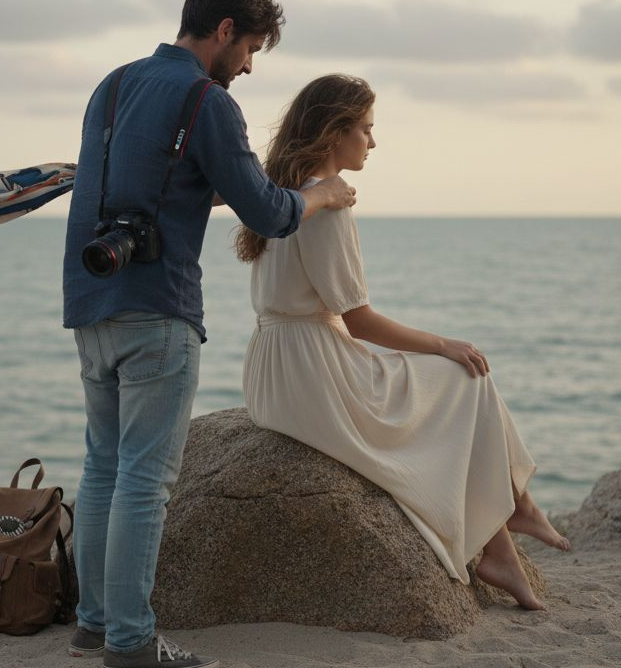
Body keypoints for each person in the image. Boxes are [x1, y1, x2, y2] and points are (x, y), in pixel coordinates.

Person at [61, 0, 356, 668]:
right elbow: (270, 212)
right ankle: (130, 639)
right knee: (145, 478)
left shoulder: (113, 84)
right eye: (251, 48)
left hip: (89, 298)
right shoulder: (207, 99)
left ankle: (93, 622)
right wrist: (319, 192)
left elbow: (141, 185)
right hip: (158, 306)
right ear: (224, 31)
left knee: (103, 467)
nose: (250, 66)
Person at [237, 74, 570, 611]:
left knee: (450, 384)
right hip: (315, 374)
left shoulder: (281, 197)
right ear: (333, 134)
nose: (373, 141)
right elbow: (359, 321)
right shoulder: (327, 205)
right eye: (366, 129)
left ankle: (507, 528)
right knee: (464, 373)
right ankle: (512, 510)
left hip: (273, 372)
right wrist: (442, 344)